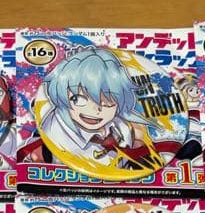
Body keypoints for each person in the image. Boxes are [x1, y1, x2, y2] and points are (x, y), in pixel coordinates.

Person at [26, 46, 170, 171]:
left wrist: (139, 148)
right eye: (78, 99)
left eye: (107, 102)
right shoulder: (52, 134)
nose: (94, 110)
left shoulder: (124, 127)